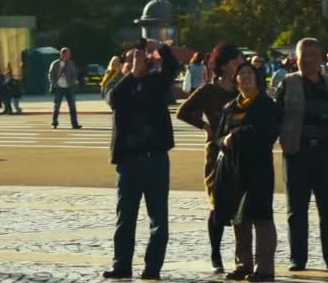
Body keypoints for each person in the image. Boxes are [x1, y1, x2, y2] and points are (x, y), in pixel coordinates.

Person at [102, 39, 182, 280]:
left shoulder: (157, 83)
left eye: (139, 59)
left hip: (156, 158)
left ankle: (152, 267)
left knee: (159, 218)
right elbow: (111, 99)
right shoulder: (120, 85)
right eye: (130, 59)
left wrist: (159, 47)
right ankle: (121, 265)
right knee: (125, 217)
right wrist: (131, 75)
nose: (135, 63)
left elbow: (172, 67)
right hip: (128, 161)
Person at [276, 37, 328, 272]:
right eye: (303, 55)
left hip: (325, 153)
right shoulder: (287, 83)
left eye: (312, 55)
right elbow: (275, 114)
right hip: (297, 152)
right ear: (295, 58)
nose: (307, 60)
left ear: (320, 58)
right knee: (296, 210)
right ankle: (298, 259)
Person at [176, 42, 245, 274]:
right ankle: (216, 253)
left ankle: (242, 257)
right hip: (215, 154)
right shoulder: (207, 91)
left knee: (240, 206)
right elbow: (182, 111)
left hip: (240, 153)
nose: (241, 64)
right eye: (237, 60)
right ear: (225, 65)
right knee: (217, 204)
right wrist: (204, 125)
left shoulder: (241, 90)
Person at [214, 62, 279, 282]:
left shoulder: (266, 105)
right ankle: (243, 264)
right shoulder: (230, 107)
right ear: (236, 81)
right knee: (238, 218)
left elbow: (268, 133)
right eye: (241, 74)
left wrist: (237, 135)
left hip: (258, 168)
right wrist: (224, 140)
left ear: (256, 78)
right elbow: (218, 137)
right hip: (234, 169)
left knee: (261, 217)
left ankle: (265, 268)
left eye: (249, 73)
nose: (245, 77)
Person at [48, 47, 81, 129]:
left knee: (72, 105)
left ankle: (74, 123)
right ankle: (54, 122)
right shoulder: (55, 63)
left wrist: (73, 82)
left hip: (68, 87)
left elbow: (74, 74)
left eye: (69, 54)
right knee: (57, 105)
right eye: (66, 54)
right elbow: (50, 75)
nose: (68, 55)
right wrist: (54, 83)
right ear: (62, 54)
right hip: (58, 87)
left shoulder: (71, 63)